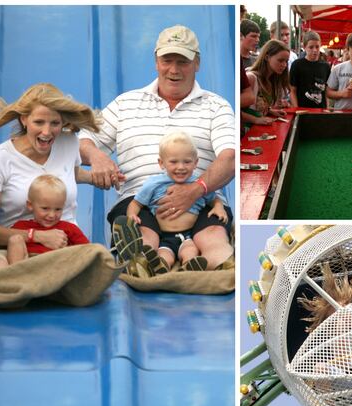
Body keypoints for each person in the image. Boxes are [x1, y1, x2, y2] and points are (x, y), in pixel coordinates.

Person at [79, 25, 235, 272]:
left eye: (183, 61)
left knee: (213, 233)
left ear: (197, 63)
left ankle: (223, 264)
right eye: (167, 60)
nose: (174, 70)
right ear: (156, 61)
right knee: (140, 230)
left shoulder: (216, 106)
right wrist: (96, 155)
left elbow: (230, 158)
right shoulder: (125, 103)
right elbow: (84, 139)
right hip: (139, 200)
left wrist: (195, 190)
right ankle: (138, 258)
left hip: (202, 201)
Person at [0, 83, 100, 272]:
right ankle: (17, 284)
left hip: (61, 245)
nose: (47, 132)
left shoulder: (68, 143)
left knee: (94, 262)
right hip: (13, 246)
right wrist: (38, 236)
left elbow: (70, 173)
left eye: (55, 123)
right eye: (39, 122)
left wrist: (95, 177)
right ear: (24, 119)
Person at [125, 132, 228, 273]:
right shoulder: (154, 184)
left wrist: (219, 207)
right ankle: (160, 267)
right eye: (173, 162)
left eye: (187, 162)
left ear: (195, 163)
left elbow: (214, 199)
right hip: (164, 236)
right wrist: (132, 215)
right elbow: (136, 203)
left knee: (190, 251)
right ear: (161, 163)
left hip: (189, 236)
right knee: (164, 256)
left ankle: (189, 267)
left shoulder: (198, 184)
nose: (181, 167)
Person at [0, 174, 90, 269]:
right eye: (45, 208)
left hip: (56, 267)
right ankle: (17, 277)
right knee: (14, 240)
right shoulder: (21, 227)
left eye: (58, 209)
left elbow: (88, 250)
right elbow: (3, 244)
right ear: (30, 205)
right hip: (27, 265)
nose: (52, 215)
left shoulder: (69, 228)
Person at [243, 40, 290, 125]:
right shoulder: (251, 78)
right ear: (267, 57)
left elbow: (258, 108)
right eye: (280, 60)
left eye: (286, 61)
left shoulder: (273, 80)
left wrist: (270, 111)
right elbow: (234, 109)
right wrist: (255, 119)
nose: (284, 65)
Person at [290, 31, 331, 109]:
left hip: (320, 111)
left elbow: (326, 91)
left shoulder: (326, 66)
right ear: (305, 47)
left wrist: (327, 108)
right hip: (302, 110)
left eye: (317, 47)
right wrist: (296, 109)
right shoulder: (297, 65)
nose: (315, 50)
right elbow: (292, 90)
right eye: (311, 47)